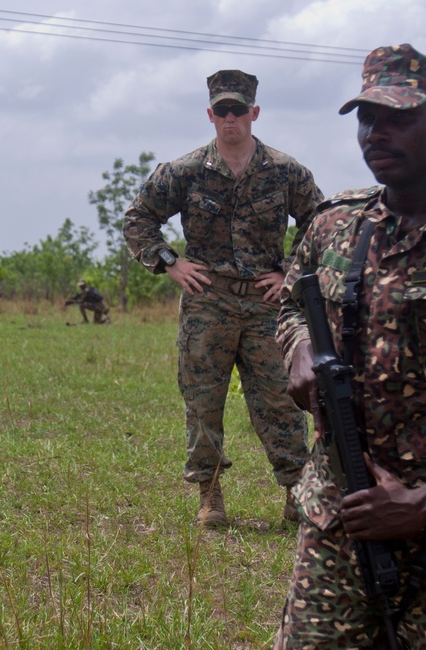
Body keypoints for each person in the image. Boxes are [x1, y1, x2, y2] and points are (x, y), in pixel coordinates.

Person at [266, 45, 426, 650]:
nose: (376, 134)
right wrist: (300, 347)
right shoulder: (336, 225)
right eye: (366, 118)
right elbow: (289, 303)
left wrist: (425, 503)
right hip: (344, 512)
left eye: (398, 117)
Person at [123, 69, 323, 527]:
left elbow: (321, 224)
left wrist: (290, 274)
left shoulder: (286, 171)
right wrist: (170, 263)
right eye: (221, 111)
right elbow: (138, 218)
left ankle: (297, 493)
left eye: (238, 110)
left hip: (265, 305)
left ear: (254, 113)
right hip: (207, 300)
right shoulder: (186, 171)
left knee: (281, 398)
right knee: (203, 399)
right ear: (209, 115)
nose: (230, 118)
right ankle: (210, 495)